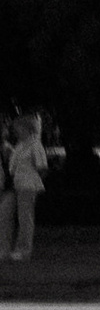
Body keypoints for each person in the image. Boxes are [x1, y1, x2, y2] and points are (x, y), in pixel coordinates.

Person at [2, 113, 43, 263]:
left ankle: (24, 250)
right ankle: (9, 249)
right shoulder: (20, 145)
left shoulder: (35, 144)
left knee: (25, 218)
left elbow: (42, 167)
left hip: (27, 185)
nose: (16, 131)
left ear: (26, 128)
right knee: (11, 215)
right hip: (16, 185)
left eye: (18, 128)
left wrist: (32, 180)